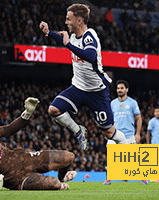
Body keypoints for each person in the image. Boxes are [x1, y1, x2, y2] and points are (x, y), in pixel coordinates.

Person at [39, 3, 128, 152]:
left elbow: (90, 56)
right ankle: (79, 131)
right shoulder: (73, 37)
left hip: (97, 91)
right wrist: (49, 32)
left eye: (68, 19)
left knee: (110, 133)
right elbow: (63, 39)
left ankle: (126, 145)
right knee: (53, 109)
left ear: (79, 20)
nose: (66, 22)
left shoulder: (90, 35)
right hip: (78, 88)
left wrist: (68, 45)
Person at [104, 80, 146, 185]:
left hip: (129, 135)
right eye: (118, 88)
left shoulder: (132, 103)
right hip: (115, 135)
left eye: (122, 88)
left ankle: (142, 177)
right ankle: (109, 178)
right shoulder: (112, 103)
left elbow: (138, 118)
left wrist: (138, 133)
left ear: (126, 89)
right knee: (111, 156)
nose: (120, 90)